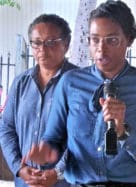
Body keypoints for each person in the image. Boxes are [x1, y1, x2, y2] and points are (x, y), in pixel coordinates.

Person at [26, 1, 136, 186]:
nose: (101, 49)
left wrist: (124, 133)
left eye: (111, 40)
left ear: (128, 39)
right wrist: (47, 153)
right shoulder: (70, 83)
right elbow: (53, 140)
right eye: (95, 39)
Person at [0, 14, 78, 187]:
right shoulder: (21, 83)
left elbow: (84, 138)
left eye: (51, 42)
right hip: (25, 181)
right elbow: (6, 128)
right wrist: (19, 167)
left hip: (65, 182)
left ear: (66, 44)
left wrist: (56, 173)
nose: (42, 49)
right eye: (36, 42)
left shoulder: (79, 84)